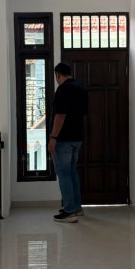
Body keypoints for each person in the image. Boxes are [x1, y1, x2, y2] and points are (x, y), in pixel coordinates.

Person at [48, 62, 88, 223]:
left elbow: (60, 115)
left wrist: (53, 137)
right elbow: (82, 114)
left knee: (64, 174)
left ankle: (69, 211)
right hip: (77, 138)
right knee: (72, 173)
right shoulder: (81, 90)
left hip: (63, 139)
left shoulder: (63, 90)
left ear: (58, 74)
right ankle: (76, 207)